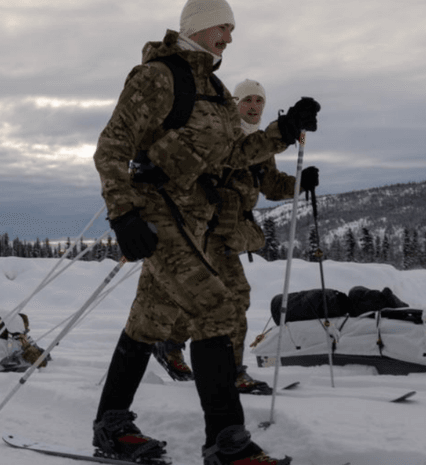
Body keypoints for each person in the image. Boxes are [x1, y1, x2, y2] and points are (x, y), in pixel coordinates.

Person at [91, 1, 319, 463]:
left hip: (193, 220)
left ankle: (111, 425)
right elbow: (111, 145)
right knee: (217, 306)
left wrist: (284, 129)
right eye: (223, 27)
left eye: (233, 30)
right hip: (158, 214)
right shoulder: (159, 76)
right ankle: (227, 443)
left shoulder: (213, 89)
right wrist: (123, 216)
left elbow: (234, 156)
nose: (230, 38)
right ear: (197, 25)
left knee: (148, 322)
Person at [153, 79, 318, 395]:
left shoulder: (260, 142)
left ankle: (169, 344)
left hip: (230, 230)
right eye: (247, 101)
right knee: (234, 295)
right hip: (207, 227)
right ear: (235, 103)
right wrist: (281, 133)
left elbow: (268, 184)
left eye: (259, 101)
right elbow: (232, 160)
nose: (254, 106)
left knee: (207, 297)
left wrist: (299, 183)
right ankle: (230, 373)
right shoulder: (223, 133)